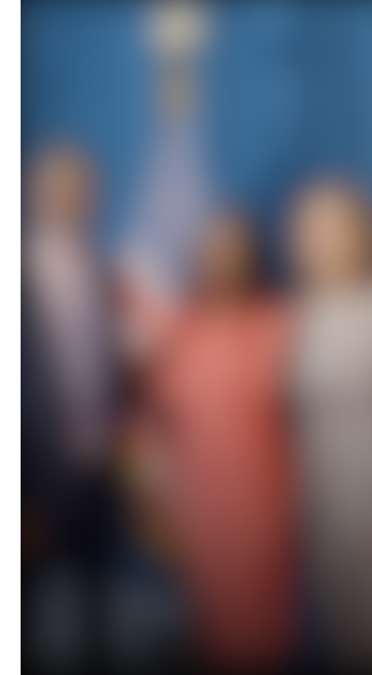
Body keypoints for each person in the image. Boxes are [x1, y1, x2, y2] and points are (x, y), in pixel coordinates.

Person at [148, 213, 296, 670]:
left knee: (263, 634)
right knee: (207, 628)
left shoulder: (279, 325)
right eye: (214, 251)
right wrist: (155, 507)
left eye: (232, 251)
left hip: (266, 512)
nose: (223, 261)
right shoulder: (181, 331)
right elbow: (154, 429)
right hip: (199, 513)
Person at [286, 179, 372, 671]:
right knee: (340, 623)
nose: (321, 247)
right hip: (322, 496)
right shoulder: (299, 314)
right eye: (311, 236)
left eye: (332, 233)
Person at [23, 143, 120, 670]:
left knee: (94, 607)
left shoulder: (102, 272)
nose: (71, 199)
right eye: (59, 188)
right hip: (33, 477)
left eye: (80, 189)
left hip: (99, 471)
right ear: (35, 194)